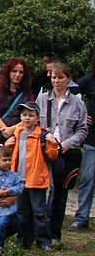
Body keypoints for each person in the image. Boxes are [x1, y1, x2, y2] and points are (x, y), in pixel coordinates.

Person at [36, 61, 88, 243]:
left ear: (68, 79)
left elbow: (82, 130)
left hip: (67, 152)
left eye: (60, 77)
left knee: (59, 194)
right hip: (45, 150)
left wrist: (64, 145)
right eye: (54, 77)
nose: (56, 81)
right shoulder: (43, 99)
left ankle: (54, 233)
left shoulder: (78, 103)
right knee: (40, 191)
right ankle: (39, 232)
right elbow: (34, 123)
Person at [6, 102, 59, 251]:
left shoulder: (42, 135)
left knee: (39, 212)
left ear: (37, 118)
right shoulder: (18, 133)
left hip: (37, 179)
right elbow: (10, 155)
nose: (27, 118)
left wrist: (53, 144)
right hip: (19, 179)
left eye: (31, 115)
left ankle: (43, 241)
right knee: (22, 212)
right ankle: (24, 240)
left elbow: (52, 156)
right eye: (24, 115)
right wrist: (8, 145)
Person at [0, 58, 34, 151]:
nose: (17, 75)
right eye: (14, 71)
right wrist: (5, 130)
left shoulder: (28, 94)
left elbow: (31, 115)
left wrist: (12, 129)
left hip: (20, 138)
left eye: (21, 72)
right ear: (8, 72)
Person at [72, 53, 95, 231]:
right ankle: (82, 217)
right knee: (87, 179)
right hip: (92, 140)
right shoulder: (89, 80)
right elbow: (70, 96)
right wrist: (81, 116)